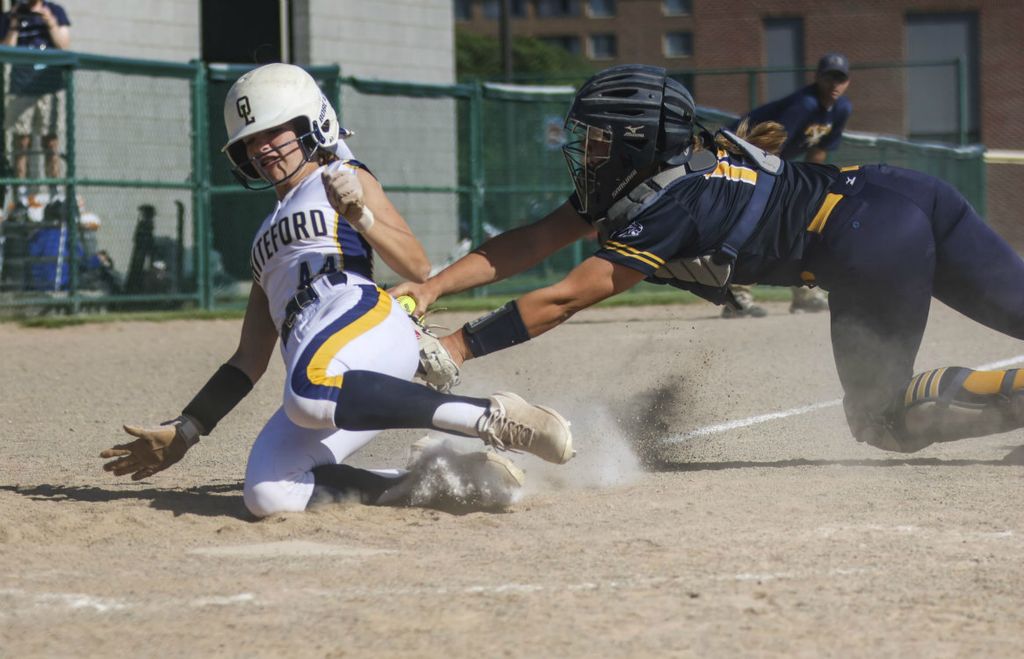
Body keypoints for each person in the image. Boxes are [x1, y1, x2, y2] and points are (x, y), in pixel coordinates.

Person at [392, 64, 1024, 455]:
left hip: (866, 239)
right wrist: (430, 287)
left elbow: (569, 295)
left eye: (599, 136)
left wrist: (459, 349)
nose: (585, 147)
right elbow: (531, 241)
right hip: (899, 192)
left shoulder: (670, 204)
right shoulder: (662, 174)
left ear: (638, 142)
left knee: (881, 421)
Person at [99, 64, 574, 518]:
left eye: (272, 131)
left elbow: (416, 263)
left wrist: (358, 215)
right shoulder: (263, 236)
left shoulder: (338, 177)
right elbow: (248, 359)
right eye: (249, 142)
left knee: (305, 393)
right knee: (269, 491)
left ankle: (491, 417)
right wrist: (188, 428)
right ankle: (449, 477)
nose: (261, 149)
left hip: (356, 314)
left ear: (313, 122)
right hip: (318, 357)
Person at [724, 52, 853, 318]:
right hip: (738, 155)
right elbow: (768, 144)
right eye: (829, 77)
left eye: (840, 79)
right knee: (754, 223)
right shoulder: (804, 105)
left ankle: (804, 294)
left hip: (770, 162)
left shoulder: (841, 109)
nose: (835, 85)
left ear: (848, 82)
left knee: (802, 219)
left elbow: (819, 149)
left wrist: (814, 187)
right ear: (817, 78)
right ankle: (736, 297)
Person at [1, 0, 72, 192]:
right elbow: (6, 50)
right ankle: (21, 195)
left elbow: (64, 45)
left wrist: (49, 21)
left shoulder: (56, 11)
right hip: (21, 87)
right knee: (21, 141)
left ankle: (55, 193)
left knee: (51, 142)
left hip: (49, 85)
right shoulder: (10, 16)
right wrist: (14, 23)